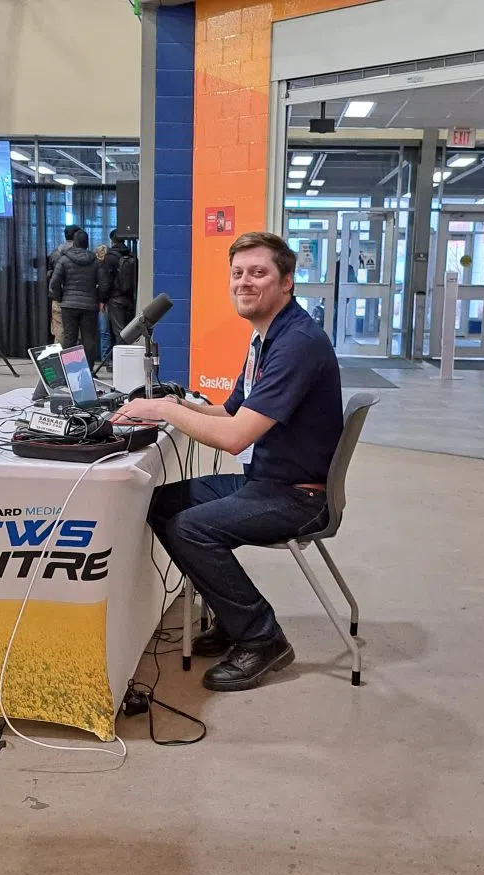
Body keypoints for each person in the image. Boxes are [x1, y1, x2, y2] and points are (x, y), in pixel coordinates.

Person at [113, 231, 343, 693]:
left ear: (286, 282)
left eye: (258, 272)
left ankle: (262, 638)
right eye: (237, 273)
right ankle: (232, 616)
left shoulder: (297, 344)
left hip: (298, 496)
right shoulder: (267, 338)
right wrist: (176, 403)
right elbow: (233, 411)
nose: (244, 282)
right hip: (269, 481)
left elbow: (235, 438)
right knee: (162, 505)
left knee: (189, 528)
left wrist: (162, 411)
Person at [49, 229, 110, 369]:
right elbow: (104, 284)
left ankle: (70, 370)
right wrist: (101, 300)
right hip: (89, 305)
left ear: (74, 243)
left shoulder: (64, 259)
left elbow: (54, 283)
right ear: (87, 243)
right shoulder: (95, 261)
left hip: (68, 305)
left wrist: (60, 297)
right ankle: (87, 371)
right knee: (89, 339)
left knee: (69, 338)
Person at [47, 224, 81, 344]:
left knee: (59, 332)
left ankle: (58, 355)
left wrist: (58, 296)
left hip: (58, 299)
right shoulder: (81, 254)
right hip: (76, 299)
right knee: (75, 334)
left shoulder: (55, 253)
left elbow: (50, 275)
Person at [104, 229, 136, 350]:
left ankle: (121, 358)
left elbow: (105, 281)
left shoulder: (110, 257)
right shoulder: (132, 255)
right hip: (129, 299)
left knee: (119, 333)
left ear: (112, 241)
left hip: (115, 299)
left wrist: (103, 299)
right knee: (128, 332)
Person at [95, 244, 113, 362]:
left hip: (96, 302)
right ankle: (105, 360)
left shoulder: (93, 266)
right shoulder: (107, 268)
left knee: (101, 331)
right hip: (105, 302)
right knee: (104, 332)